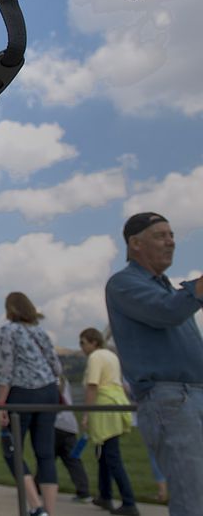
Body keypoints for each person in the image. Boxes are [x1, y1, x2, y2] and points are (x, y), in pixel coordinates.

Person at [105, 212, 203, 516]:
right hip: (172, 400)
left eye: (172, 235)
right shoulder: (123, 284)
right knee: (193, 497)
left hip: (192, 395)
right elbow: (166, 312)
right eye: (161, 235)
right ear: (135, 244)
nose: (171, 242)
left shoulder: (167, 288)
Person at [0, 291, 61, 516]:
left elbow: (6, 369)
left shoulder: (8, 331)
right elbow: (56, 365)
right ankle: (50, 512)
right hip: (49, 391)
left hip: (22, 393)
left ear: (10, 309)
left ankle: (37, 507)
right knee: (45, 453)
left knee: (11, 449)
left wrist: (1, 403)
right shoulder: (40, 331)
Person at [78, 327, 137, 515]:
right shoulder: (111, 355)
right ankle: (105, 495)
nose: (82, 347)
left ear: (93, 342)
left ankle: (129, 501)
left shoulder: (95, 357)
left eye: (83, 343)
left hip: (104, 407)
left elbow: (92, 386)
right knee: (103, 454)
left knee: (112, 456)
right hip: (116, 404)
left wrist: (86, 413)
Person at [54, 376, 92, 503]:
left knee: (46, 458)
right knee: (73, 460)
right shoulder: (64, 379)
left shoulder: (51, 378)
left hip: (55, 423)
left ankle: (40, 484)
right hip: (69, 425)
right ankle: (83, 491)